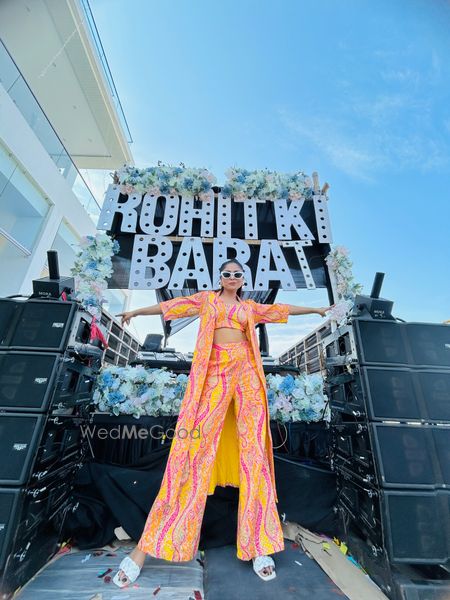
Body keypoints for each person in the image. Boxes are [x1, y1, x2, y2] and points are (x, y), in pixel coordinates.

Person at [113, 260, 334, 586]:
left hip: (246, 372)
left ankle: (259, 546)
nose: (231, 277)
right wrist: (136, 312)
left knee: (255, 458)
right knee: (189, 454)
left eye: (237, 274)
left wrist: (316, 311)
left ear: (243, 279)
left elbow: (282, 309)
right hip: (214, 371)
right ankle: (146, 548)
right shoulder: (206, 299)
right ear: (221, 278)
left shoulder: (250, 307)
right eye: (227, 273)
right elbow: (170, 306)